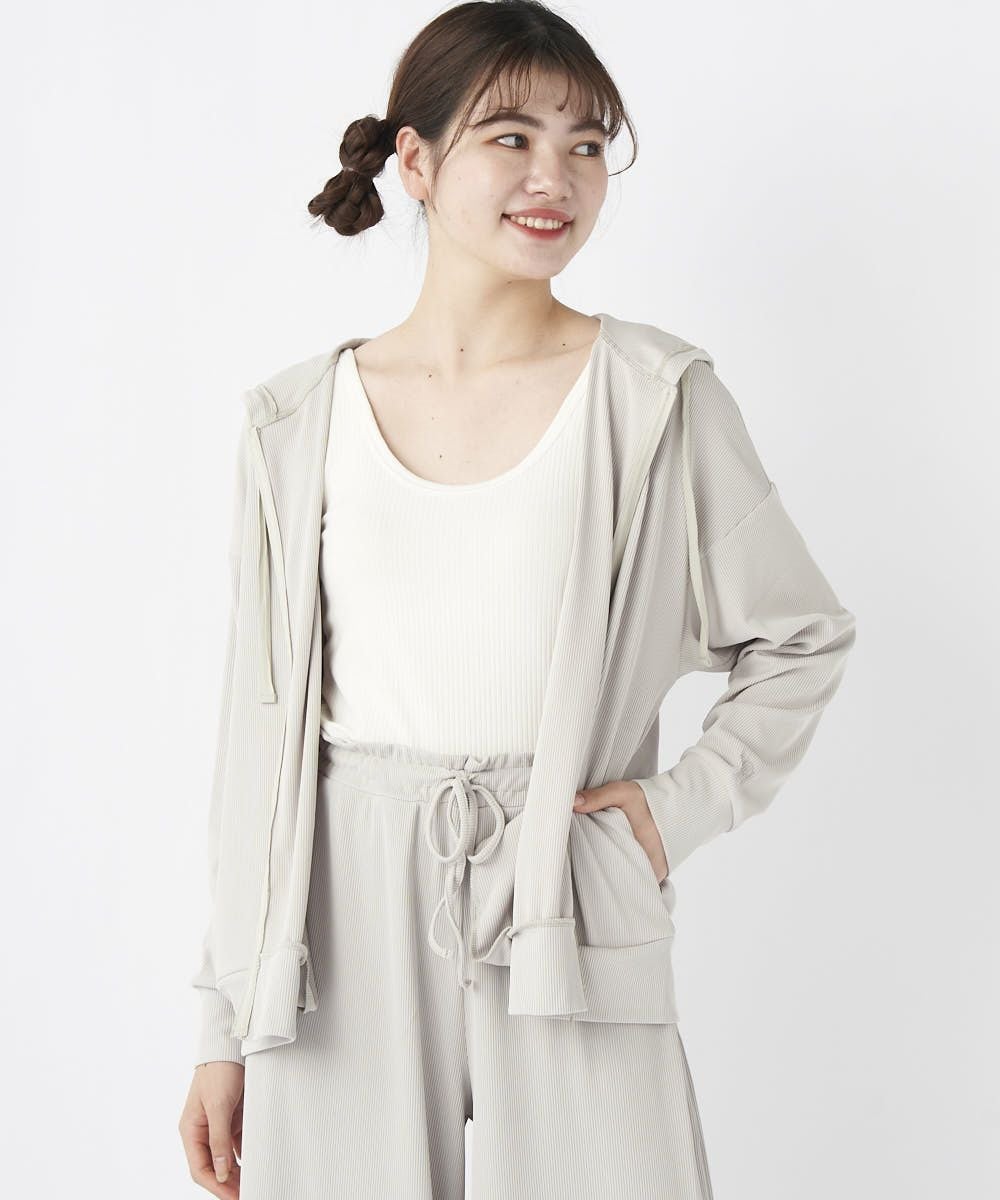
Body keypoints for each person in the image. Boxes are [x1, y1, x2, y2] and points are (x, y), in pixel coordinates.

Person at [177, 2, 857, 1196]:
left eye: (586, 145)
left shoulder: (656, 397)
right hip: (336, 905)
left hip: (568, 879)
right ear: (417, 162)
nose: (557, 177)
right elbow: (255, 748)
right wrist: (222, 1021)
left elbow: (801, 637)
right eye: (512, 137)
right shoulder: (296, 421)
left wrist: (669, 813)